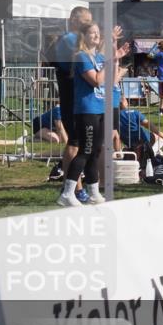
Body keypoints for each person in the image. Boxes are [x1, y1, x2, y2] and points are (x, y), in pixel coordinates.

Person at [59, 23, 128, 206]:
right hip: (86, 109)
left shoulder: (99, 56)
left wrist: (114, 54)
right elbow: (96, 81)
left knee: (95, 152)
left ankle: (94, 193)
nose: (97, 36)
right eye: (92, 33)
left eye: (98, 33)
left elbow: (110, 77)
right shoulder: (81, 57)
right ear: (84, 37)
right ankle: (67, 193)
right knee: (85, 151)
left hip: (100, 109)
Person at [51, 7, 93, 190]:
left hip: (78, 98)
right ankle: (73, 187)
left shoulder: (75, 39)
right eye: (86, 22)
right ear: (74, 20)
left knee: (79, 142)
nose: (89, 26)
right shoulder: (70, 39)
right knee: (75, 141)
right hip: (72, 98)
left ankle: (74, 186)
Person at [118, 97, 163, 163]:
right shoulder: (134, 113)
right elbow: (149, 125)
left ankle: (156, 151)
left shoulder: (113, 116)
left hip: (130, 143)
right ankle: (152, 151)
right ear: (125, 102)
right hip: (143, 140)